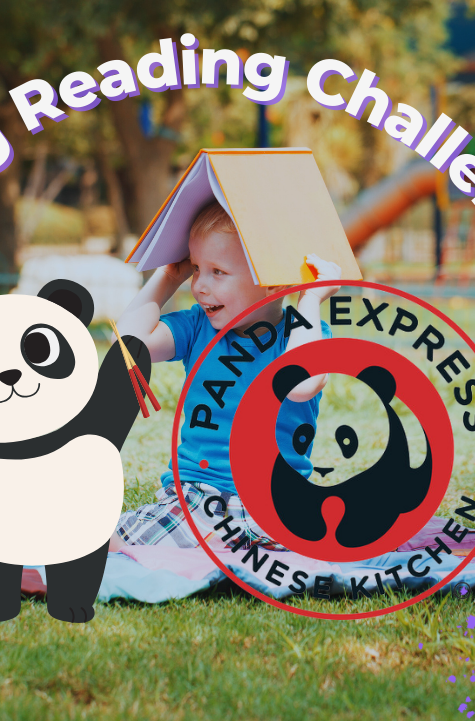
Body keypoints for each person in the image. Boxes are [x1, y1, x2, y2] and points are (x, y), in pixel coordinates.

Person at [110, 201, 341, 552]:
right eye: (196, 268)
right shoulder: (196, 327)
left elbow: (303, 383)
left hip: (276, 505)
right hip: (197, 494)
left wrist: (310, 298)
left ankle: (217, 547)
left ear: (272, 282)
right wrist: (168, 276)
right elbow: (125, 347)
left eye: (217, 272)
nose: (200, 284)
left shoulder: (301, 333)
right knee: (104, 538)